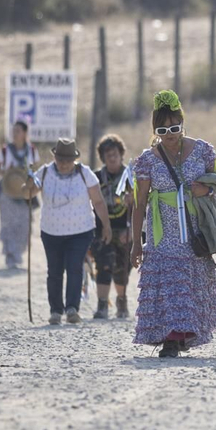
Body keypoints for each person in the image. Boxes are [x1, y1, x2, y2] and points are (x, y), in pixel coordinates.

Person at [131, 90, 216, 358]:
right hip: (162, 239)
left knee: (189, 287)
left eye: (174, 127)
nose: (169, 134)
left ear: (183, 122)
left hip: (196, 236)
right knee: (171, 287)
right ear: (154, 130)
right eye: (162, 129)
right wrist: (137, 243)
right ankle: (171, 340)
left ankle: (182, 335)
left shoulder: (204, 151)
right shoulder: (147, 161)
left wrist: (203, 191)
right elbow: (139, 205)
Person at [33, 138, 112, 326]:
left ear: (74, 159)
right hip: (51, 231)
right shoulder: (44, 172)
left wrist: (106, 225)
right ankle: (55, 310)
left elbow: (98, 202)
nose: (64, 164)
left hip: (80, 231)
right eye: (60, 160)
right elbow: (28, 192)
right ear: (55, 157)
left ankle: (72, 308)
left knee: (75, 267)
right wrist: (26, 184)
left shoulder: (85, 174)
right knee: (54, 271)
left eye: (68, 160)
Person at [91, 134, 136, 320]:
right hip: (102, 229)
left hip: (126, 228)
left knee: (122, 268)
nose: (112, 158)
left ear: (121, 154)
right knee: (104, 266)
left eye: (115, 154)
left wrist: (132, 229)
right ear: (102, 157)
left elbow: (141, 205)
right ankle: (102, 305)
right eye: (108, 155)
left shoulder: (131, 177)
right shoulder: (95, 177)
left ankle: (121, 300)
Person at [0, 121, 39, 270]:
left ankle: (18, 253)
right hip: (8, 191)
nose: (15, 134)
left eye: (18, 131)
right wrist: (8, 172)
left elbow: (37, 170)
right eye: (14, 131)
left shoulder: (32, 150)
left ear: (25, 133)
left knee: (24, 225)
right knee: (8, 225)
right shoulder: (5, 150)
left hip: (25, 194)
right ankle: (11, 257)